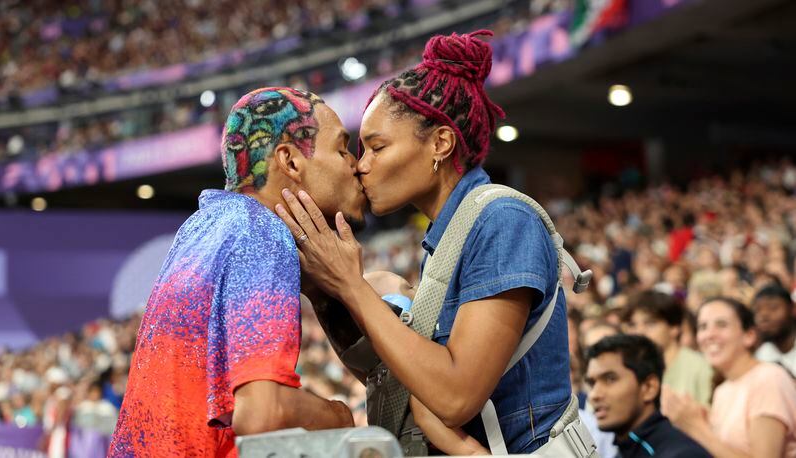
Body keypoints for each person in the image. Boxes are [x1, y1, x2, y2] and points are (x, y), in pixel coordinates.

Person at [275, 31, 590, 455]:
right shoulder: (452, 233)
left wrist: (351, 285)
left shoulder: (501, 221)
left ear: (440, 143)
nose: (361, 166)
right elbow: (403, 379)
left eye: (377, 147)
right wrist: (325, 289)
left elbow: (454, 397)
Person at [109, 87, 365, 457]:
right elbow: (263, 414)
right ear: (290, 161)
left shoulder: (200, 227)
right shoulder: (263, 230)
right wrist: (340, 416)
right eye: (342, 149)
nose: (354, 164)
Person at [663, 297, 796, 457]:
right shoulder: (722, 390)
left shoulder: (769, 378)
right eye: (703, 327)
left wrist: (697, 428)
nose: (709, 335)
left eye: (721, 324)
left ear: (749, 336)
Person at [585, 334, 709, 457]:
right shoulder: (625, 449)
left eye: (610, 379)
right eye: (592, 383)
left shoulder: (683, 454)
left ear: (649, 388)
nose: (594, 395)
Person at [624, 290, 713, 405]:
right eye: (632, 325)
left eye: (650, 323)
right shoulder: (630, 370)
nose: (639, 332)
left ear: (674, 328)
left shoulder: (700, 368)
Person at [752, 284, 796, 377]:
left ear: (793, 309)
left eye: (773, 308)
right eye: (757, 310)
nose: (763, 316)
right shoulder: (762, 351)